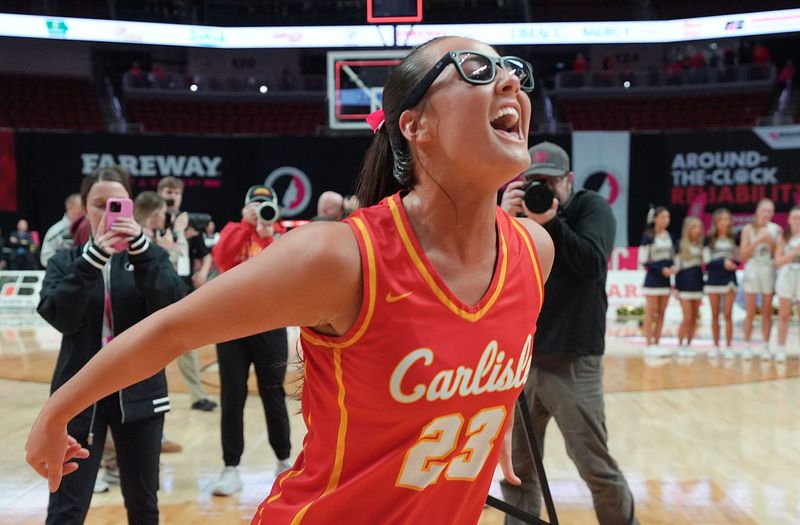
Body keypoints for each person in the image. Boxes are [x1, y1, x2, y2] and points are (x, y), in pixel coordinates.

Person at [25, 36, 554, 524]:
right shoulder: (341, 257)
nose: (511, 81)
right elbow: (173, 330)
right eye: (477, 69)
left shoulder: (534, 250)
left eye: (513, 69)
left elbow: (486, 350)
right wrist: (58, 411)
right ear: (415, 127)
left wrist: (488, 411)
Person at [35, 165, 188, 524]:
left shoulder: (150, 257)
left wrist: (142, 250)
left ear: (130, 206)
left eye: (116, 204)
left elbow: (175, 307)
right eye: (99, 204)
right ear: (84, 208)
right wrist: (91, 262)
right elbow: (59, 316)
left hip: (140, 392)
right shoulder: (65, 262)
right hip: (78, 396)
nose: (108, 212)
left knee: (143, 504)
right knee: (66, 509)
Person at [499, 142, 639, 525]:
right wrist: (500, 220)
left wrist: (551, 221)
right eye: (533, 182)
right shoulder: (515, 220)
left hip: (574, 361)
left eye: (550, 182)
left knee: (595, 466)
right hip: (522, 363)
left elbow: (592, 265)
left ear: (569, 180)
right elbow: (488, 273)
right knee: (518, 470)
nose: (541, 190)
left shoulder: (590, 207)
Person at [209, 185, 292, 496]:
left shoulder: (282, 235)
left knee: (274, 393)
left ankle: (284, 461)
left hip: (270, 323)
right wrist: (246, 226)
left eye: (265, 205)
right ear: (245, 207)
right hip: (231, 325)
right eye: (255, 205)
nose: (260, 210)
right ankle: (230, 467)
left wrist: (267, 235)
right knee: (232, 395)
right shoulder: (234, 230)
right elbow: (222, 260)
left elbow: (284, 270)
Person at [157, 176, 217, 412]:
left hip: (183, 290)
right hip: (156, 289)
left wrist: (202, 272)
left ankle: (197, 396)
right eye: (168, 191)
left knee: (188, 344)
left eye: (176, 192)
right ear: (160, 193)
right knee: (151, 344)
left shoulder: (189, 221)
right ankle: (147, 394)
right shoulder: (154, 219)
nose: (172, 196)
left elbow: (206, 253)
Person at [739, 198, 780, 359]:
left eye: (770, 211)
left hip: (768, 268)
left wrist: (772, 243)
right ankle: (746, 346)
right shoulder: (748, 229)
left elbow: (778, 254)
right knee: (750, 312)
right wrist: (759, 240)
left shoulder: (776, 229)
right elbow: (743, 255)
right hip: (752, 268)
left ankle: (766, 346)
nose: (766, 214)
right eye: (764, 210)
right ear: (757, 211)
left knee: (767, 312)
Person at [639, 207, 675, 357]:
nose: (665, 220)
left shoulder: (670, 236)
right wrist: (660, 269)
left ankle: (657, 342)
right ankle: (648, 344)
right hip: (653, 279)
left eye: (667, 217)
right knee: (650, 312)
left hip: (666, 280)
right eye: (662, 217)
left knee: (661, 312)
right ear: (655, 219)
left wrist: (672, 267)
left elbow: (672, 257)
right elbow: (643, 260)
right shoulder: (648, 236)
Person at [704, 208, 739, 358]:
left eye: (727, 219)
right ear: (716, 221)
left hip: (729, 278)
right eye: (721, 219)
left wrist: (733, 263)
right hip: (714, 279)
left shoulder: (734, 237)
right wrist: (722, 262)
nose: (724, 222)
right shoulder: (709, 238)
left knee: (728, 314)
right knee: (715, 315)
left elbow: (738, 257)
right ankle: (715, 345)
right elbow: (706, 261)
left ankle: (729, 346)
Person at [674, 217, 705, 357]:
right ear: (688, 228)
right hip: (684, 283)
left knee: (694, 317)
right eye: (694, 226)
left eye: (699, 226)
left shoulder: (702, 244)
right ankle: (680, 344)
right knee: (686, 317)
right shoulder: (680, 244)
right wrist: (676, 287)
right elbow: (677, 267)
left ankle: (689, 344)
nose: (697, 229)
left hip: (698, 283)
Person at [773, 206, 800, 363]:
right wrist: (794, 253)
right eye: (794, 217)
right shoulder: (783, 237)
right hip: (786, 276)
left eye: (799, 217)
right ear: (789, 220)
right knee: (784, 314)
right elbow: (778, 261)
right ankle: (781, 349)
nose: (797, 220)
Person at [40, 194, 84, 267]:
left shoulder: (90, 229)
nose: (85, 211)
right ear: (70, 208)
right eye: (81, 207)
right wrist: (67, 264)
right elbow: (45, 259)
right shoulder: (56, 232)